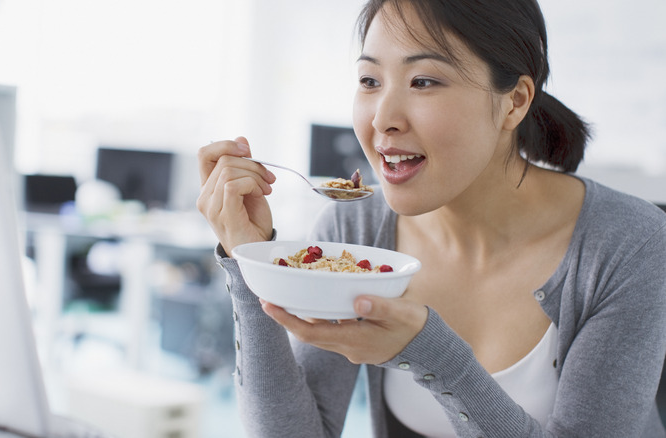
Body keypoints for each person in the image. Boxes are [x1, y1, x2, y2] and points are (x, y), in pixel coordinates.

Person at [195, 0, 666, 436]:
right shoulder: (356, 233)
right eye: (369, 81)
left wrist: (432, 355)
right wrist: (250, 259)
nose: (383, 118)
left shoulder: (631, 246)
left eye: (423, 81)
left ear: (515, 101)